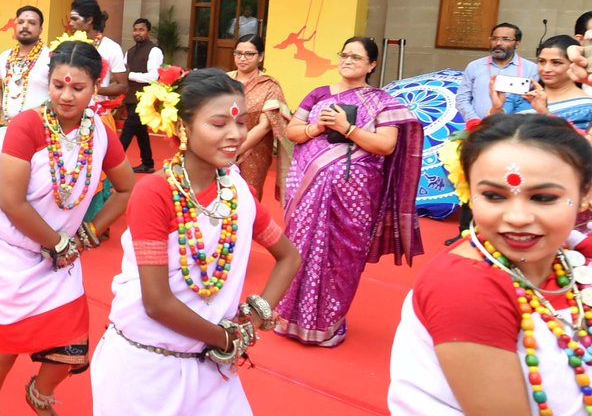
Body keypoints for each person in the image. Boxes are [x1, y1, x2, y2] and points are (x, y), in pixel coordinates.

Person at [343, 113, 592, 416]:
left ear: (584, 198)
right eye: (494, 196)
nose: (517, 217)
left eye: (543, 197)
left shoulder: (564, 267)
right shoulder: (468, 286)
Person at [88, 68, 301, 416]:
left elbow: (288, 258)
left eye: (240, 120)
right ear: (183, 126)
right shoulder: (155, 193)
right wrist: (226, 336)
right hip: (144, 368)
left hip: (209, 366)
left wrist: (252, 316)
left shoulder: (238, 196)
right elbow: (158, 301)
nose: (234, 133)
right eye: (218, 122)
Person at [0, 39, 135, 416]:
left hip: (60, 253)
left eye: (78, 87)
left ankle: (39, 394)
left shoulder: (99, 132)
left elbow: (126, 188)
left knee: (72, 346)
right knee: (5, 343)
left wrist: (87, 235)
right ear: (49, 83)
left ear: (95, 88)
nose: (66, 95)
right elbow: (11, 201)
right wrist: (60, 242)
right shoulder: (27, 126)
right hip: (9, 250)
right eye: (59, 85)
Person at [277, 37, 424, 347]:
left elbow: (385, 146)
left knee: (342, 255)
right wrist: (316, 128)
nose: (347, 61)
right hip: (307, 185)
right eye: (344, 55)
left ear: (371, 65)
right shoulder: (318, 94)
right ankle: (289, 318)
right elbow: (292, 132)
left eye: (356, 57)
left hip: (354, 193)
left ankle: (328, 324)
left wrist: (347, 129)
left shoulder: (384, 101)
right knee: (299, 249)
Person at [69, 0, 128, 224]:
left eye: (75, 19)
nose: (71, 24)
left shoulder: (110, 48)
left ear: (89, 20)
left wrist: (95, 89)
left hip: (98, 118)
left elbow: (122, 84)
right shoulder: (69, 44)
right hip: (71, 117)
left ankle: (96, 222)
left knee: (98, 169)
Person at [0, 5, 51, 177]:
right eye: (20, 22)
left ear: (40, 29)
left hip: (37, 130)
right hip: (6, 126)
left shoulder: (50, 58)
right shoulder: (5, 56)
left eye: (31, 22)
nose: (25, 26)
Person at [229, 34, 292, 200]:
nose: (242, 58)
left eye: (249, 54)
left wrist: (235, 151)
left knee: (247, 197)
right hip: (220, 145)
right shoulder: (223, 79)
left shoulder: (269, 85)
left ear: (261, 57)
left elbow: (264, 126)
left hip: (254, 150)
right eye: (238, 53)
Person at [490, 35, 592, 130]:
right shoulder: (522, 95)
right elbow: (493, 131)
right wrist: (496, 109)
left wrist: (544, 113)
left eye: (556, 63)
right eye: (541, 61)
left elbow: (577, 143)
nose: (546, 69)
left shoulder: (586, 106)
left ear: (574, 65)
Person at [456, 22, 539, 121]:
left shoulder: (531, 69)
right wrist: (474, 121)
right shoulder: (474, 66)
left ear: (517, 43)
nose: (498, 43)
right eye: (494, 39)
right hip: (478, 128)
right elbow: (462, 99)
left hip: (515, 131)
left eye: (505, 39)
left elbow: (534, 103)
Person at [118, 18, 162, 174]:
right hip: (130, 96)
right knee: (140, 131)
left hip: (145, 98)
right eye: (135, 30)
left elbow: (154, 76)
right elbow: (122, 73)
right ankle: (148, 163)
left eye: (141, 30)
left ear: (148, 32)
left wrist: (131, 75)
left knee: (128, 128)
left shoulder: (154, 51)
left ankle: (111, 160)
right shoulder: (129, 51)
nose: (137, 33)